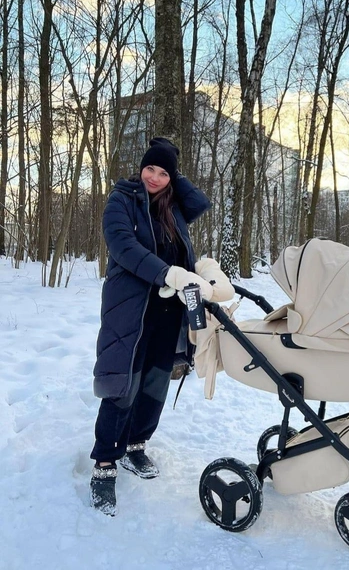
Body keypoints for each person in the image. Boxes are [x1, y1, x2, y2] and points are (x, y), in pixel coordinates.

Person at [89, 137, 232, 516]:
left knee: (154, 381)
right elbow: (123, 247)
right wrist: (168, 272)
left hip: (169, 313)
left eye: (163, 172)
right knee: (124, 385)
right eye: (149, 168)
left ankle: (136, 445)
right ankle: (105, 463)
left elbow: (200, 205)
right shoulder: (122, 200)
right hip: (131, 311)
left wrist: (175, 170)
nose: (153, 177)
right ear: (140, 168)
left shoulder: (175, 210)